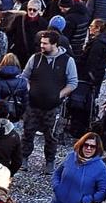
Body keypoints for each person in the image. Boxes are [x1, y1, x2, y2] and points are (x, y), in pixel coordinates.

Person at [20, 30, 77, 170]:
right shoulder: (35, 58)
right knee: (27, 132)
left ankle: (49, 162)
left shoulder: (67, 61)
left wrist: (59, 95)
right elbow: (24, 76)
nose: (42, 45)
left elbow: (73, 83)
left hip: (53, 106)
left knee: (51, 136)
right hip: (33, 104)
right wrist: (29, 90)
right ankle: (23, 159)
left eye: (45, 43)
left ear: (54, 44)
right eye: (41, 42)